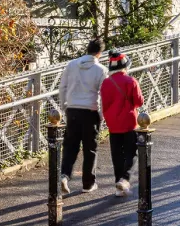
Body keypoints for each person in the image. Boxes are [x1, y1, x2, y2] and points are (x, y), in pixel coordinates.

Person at [58, 38, 107, 193]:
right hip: (90, 112)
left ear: (87, 49)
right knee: (90, 149)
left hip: (72, 110)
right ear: (100, 53)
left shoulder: (71, 65)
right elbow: (103, 94)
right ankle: (88, 183)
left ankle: (65, 175)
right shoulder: (101, 70)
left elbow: (62, 87)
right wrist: (101, 114)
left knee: (70, 146)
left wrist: (64, 107)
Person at [100, 49, 145, 197]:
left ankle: (118, 187)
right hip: (129, 122)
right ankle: (125, 179)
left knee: (117, 155)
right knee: (132, 153)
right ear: (125, 66)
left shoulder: (106, 83)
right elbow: (139, 102)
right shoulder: (131, 81)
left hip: (113, 123)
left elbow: (104, 104)